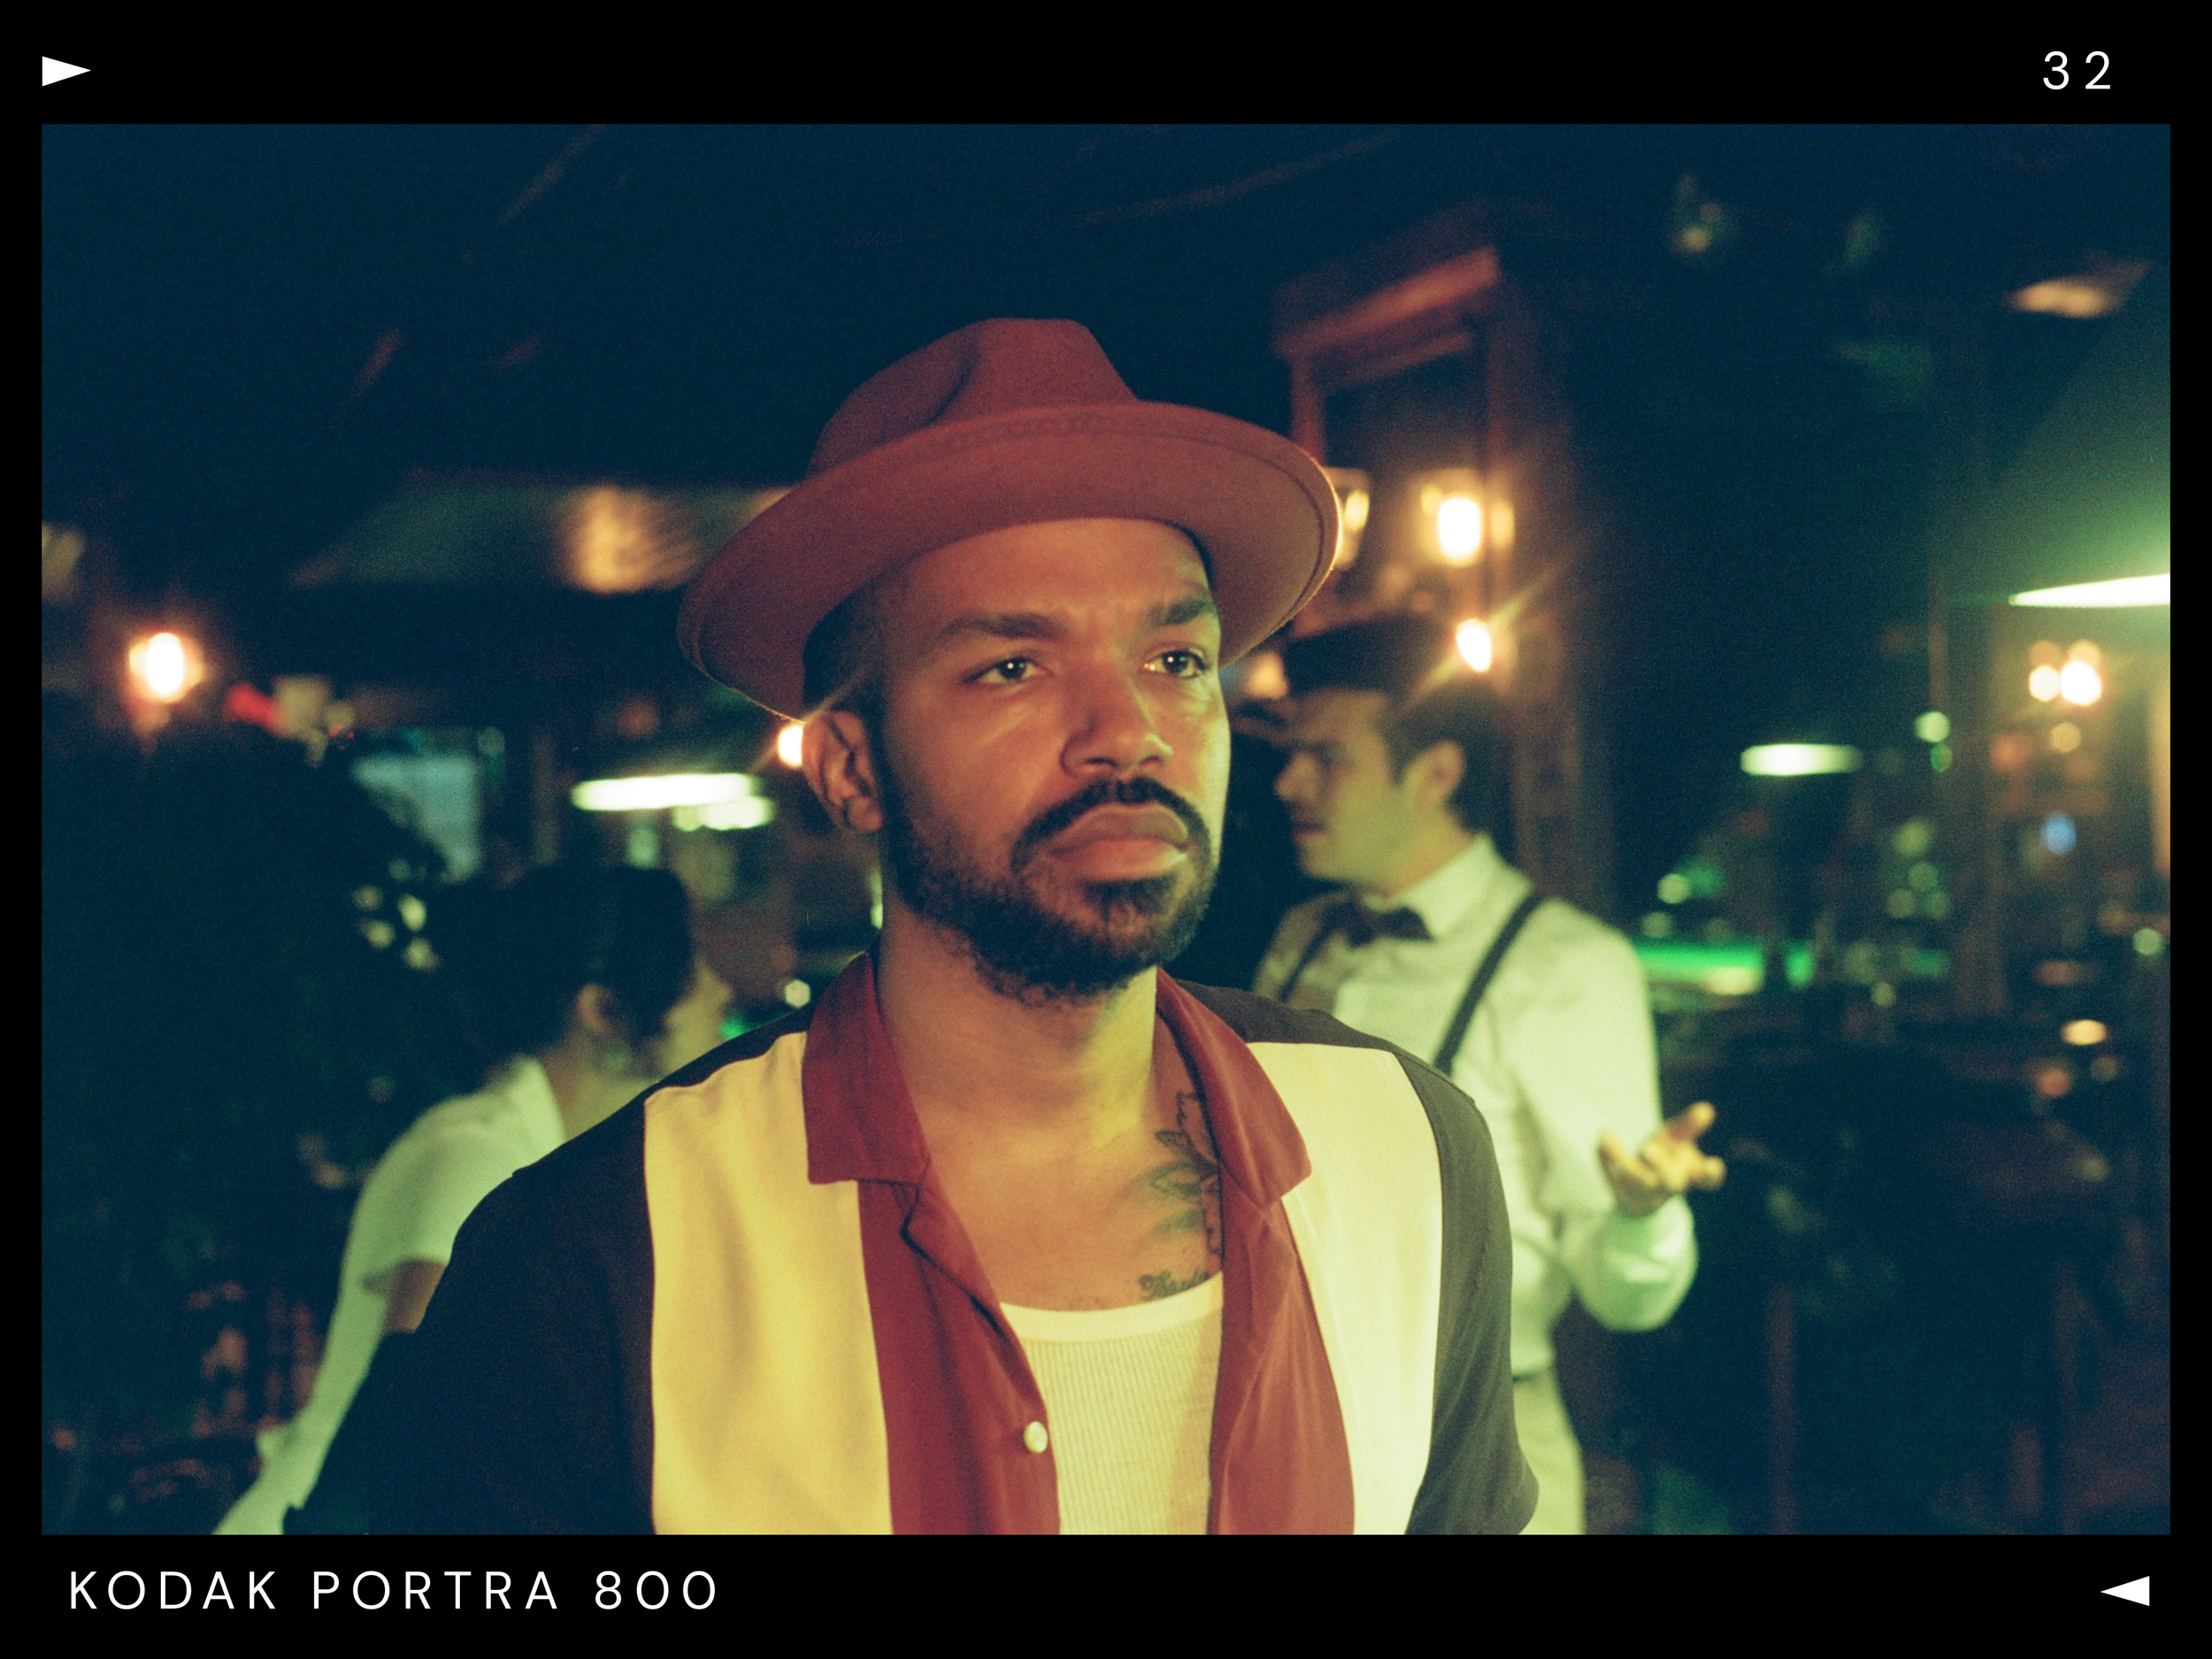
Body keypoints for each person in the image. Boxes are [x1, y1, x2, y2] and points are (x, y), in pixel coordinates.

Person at [299, 319, 1534, 1534]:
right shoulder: (604, 1250)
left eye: (1176, 658)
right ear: (851, 767)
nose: (1128, 730)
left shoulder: (1405, 1150)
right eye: (1014, 667)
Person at [1253, 615, 1724, 1535]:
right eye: (1291, 755)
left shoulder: (1563, 966)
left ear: (1434, 773)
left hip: (1474, 1443)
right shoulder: (1302, 938)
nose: (1289, 782)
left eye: (1327, 758)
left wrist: (1641, 1215)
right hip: (1294, 1427)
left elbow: (1629, 1300)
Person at [216, 864, 730, 1534]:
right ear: (603, 1009)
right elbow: (407, 1412)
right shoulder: (478, 1154)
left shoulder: (541, 1157)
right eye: (691, 967)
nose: (717, 990)